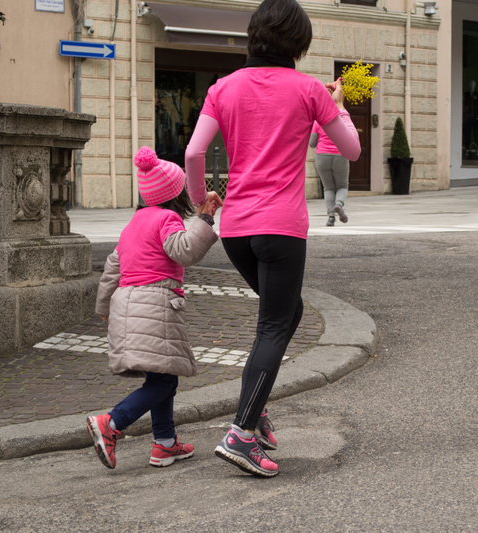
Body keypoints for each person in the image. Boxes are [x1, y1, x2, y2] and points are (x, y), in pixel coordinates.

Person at [184, 0, 360, 477]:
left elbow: (194, 151)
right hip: (281, 227)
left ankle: (254, 407)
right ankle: (240, 434)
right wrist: (339, 109)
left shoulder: (223, 87)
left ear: (253, 35)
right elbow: (352, 149)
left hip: (237, 229)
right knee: (275, 325)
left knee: (285, 314)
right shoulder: (308, 89)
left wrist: (201, 201)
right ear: (299, 44)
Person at [86, 146, 221, 470]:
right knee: (162, 382)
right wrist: (204, 218)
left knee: (163, 377)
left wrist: (104, 307)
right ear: (177, 195)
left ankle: (164, 444)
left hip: (127, 305)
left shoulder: (134, 223)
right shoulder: (167, 219)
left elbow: (112, 268)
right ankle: (112, 423)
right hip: (154, 305)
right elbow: (185, 250)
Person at [310, 121, 350, 226]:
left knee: (328, 188)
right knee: (342, 186)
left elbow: (311, 143)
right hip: (340, 155)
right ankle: (339, 204)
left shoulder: (317, 122)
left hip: (322, 156)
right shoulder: (341, 120)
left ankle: (331, 217)